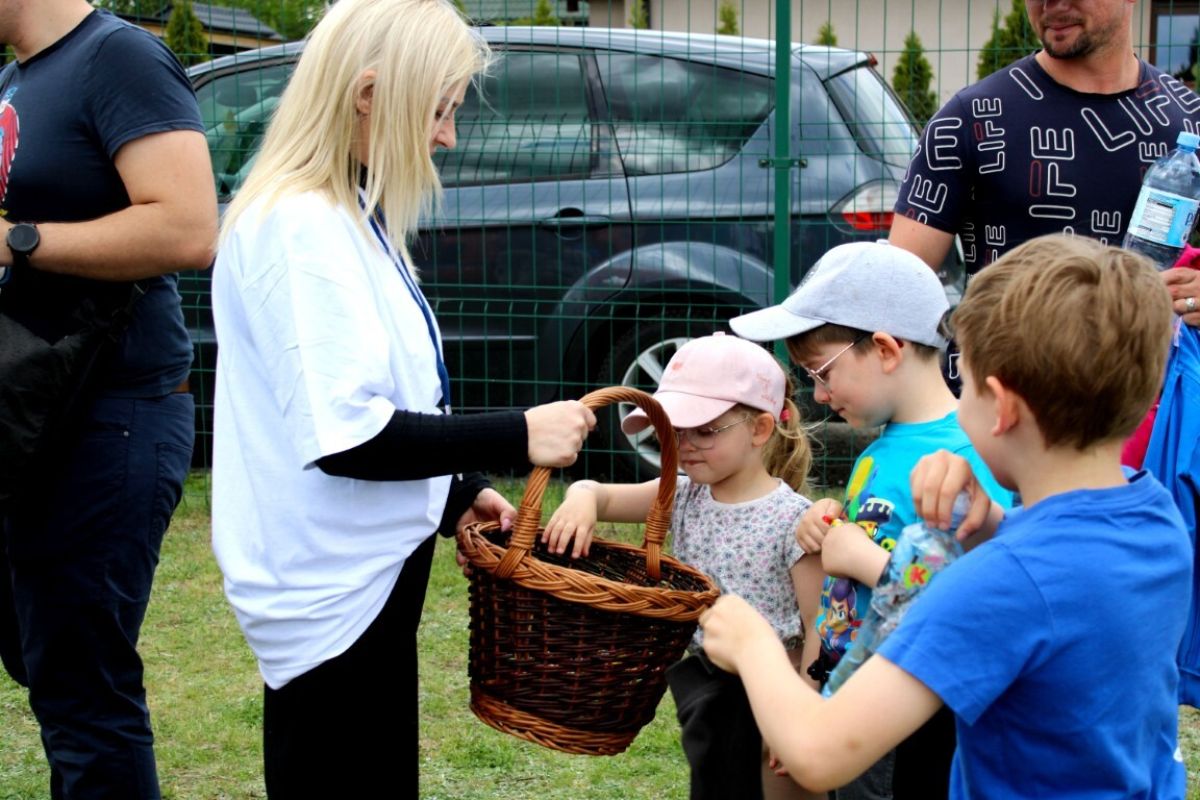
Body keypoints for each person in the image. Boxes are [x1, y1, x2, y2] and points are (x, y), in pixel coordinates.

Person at [209, 1, 596, 797]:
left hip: (369, 580)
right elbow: (348, 437)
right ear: (368, 94)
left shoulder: (349, 216)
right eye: (438, 109)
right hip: (331, 597)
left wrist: (457, 491)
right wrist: (520, 432)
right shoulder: (301, 228)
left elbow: (378, 394)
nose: (447, 136)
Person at [703, 234, 1190, 798]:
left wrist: (753, 644)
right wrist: (991, 526)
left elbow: (818, 754)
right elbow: (1071, 591)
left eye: (969, 387)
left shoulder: (998, 585)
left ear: (1000, 407)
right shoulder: (1155, 516)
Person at [0, 1, 218, 797]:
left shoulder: (118, 57)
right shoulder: (18, 78)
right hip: (35, 411)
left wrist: (17, 240)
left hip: (112, 416)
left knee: (83, 686)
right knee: (45, 661)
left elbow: (188, 229)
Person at [729, 240, 1009, 800]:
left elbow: (979, 603)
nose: (818, 394)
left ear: (884, 348)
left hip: (912, 718)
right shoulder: (878, 453)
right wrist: (830, 523)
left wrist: (864, 560)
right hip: (855, 694)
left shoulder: (970, 457)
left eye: (821, 372)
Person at [543, 332, 824, 800]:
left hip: (776, 691)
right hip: (708, 691)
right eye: (676, 431)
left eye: (705, 430)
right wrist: (581, 496)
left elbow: (818, 627)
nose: (685, 445)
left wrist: (803, 716)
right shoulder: (682, 493)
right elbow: (601, 494)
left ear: (759, 429)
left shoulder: (793, 520)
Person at [890, 0, 1200, 333]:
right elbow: (894, 294)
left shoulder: (1188, 121)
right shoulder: (971, 119)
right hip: (1000, 365)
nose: (1051, 4)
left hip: (1148, 365)